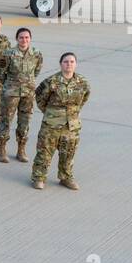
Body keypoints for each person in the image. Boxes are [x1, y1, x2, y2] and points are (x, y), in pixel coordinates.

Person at [31, 52, 90, 190]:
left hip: (72, 125)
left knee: (68, 152)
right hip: (51, 124)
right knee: (45, 151)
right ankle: (39, 177)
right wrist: (51, 113)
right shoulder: (51, 81)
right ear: (60, 64)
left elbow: (85, 98)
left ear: (76, 64)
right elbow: (40, 99)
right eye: (65, 62)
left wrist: (73, 112)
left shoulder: (82, 82)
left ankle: (65, 177)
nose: (68, 64)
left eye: (71, 62)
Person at [0, 27, 44, 163]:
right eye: (21, 37)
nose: (24, 40)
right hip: (11, 92)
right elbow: (0, 73)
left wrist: (28, 83)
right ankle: (2, 149)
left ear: (30, 39)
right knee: (5, 121)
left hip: (28, 93)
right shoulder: (8, 54)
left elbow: (37, 70)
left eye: (27, 37)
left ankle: (21, 149)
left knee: (25, 121)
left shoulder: (36, 54)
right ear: (17, 39)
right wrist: (10, 84)